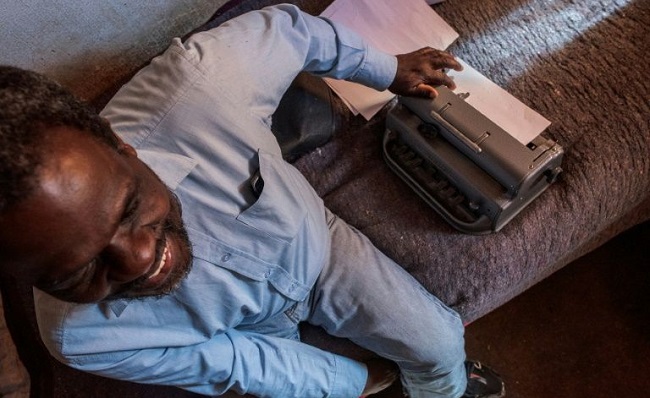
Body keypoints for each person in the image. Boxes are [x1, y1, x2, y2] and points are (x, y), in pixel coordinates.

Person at [0, 4, 505, 398]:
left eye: (129, 207)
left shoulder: (199, 87)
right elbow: (238, 363)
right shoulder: (79, 340)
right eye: (74, 273)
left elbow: (291, 30)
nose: (137, 263)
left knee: (439, 347)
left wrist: (386, 68)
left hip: (320, 248)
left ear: (121, 147)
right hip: (253, 327)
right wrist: (361, 382)